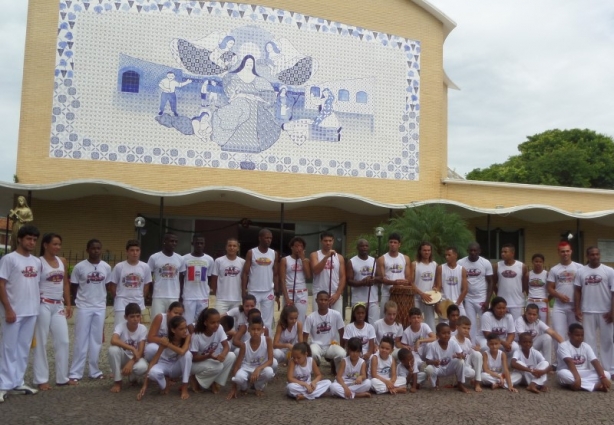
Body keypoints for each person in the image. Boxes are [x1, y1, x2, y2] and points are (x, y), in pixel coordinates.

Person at [0, 225, 41, 402]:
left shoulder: (36, 262)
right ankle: (3, 385)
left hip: (31, 311)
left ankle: (17, 382)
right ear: (20, 239)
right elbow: (1, 284)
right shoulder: (9, 259)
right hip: (13, 311)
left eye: (34, 239)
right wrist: (8, 308)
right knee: (8, 348)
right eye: (28, 239)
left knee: (23, 349)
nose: (31, 242)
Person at [211, 56, 281, 152]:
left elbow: (269, 94)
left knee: (261, 122)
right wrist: (241, 95)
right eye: (247, 63)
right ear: (243, 63)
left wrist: (256, 97)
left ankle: (252, 145)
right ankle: (231, 143)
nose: (249, 65)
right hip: (239, 102)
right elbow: (231, 94)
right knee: (234, 115)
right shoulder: (235, 77)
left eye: (251, 64)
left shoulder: (258, 79)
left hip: (254, 106)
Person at [68, 239, 112, 383]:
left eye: (98, 248)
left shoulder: (106, 267)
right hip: (83, 307)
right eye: (93, 248)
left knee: (96, 340)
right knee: (81, 339)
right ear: (87, 250)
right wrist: (80, 301)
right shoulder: (79, 267)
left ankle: (95, 371)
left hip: (100, 307)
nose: (96, 251)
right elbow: (74, 287)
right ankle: (75, 373)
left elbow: (107, 286)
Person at [33, 233, 72, 390]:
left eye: (59, 244)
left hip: (58, 305)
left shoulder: (62, 261)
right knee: (41, 342)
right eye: (54, 244)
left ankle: (62, 377)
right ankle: (41, 379)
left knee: (63, 341)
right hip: (43, 304)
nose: (57, 247)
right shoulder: (39, 262)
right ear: (45, 245)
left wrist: (68, 304)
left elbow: (66, 285)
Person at [573, 246, 614, 373]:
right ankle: (592, 368)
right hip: (587, 310)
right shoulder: (581, 271)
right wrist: (577, 308)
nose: (595, 257)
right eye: (592, 254)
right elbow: (577, 291)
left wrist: (612, 311)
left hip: (605, 311)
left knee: (607, 340)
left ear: (599, 255)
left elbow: (613, 292)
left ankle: (610, 369)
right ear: (587, 256)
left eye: (597, 254)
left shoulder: (609, 271)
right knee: (589, 341)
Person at [138, 315, 192, 400]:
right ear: (173, 330)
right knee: (152, 373)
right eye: (181, 329)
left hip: (176, 368)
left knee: (187, 355)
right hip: (164, 365)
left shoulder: (187, 337)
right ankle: (165, 383)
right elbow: (153, 361)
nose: (185, 331)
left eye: (185, 328)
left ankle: (184, 387)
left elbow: (182, 351)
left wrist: (168, 345)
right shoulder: (165, 340)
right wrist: (144, 386)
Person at [547, 241, 582, 365]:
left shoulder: (579, 267)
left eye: (567, 251)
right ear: (558, 253)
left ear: (571, 251)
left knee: (575, 333)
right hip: (559, 306)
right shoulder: (554, 269)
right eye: (562, 251)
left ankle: (576, 359)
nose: (565, 253)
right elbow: (550, 288)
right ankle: (559, 361)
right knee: (558, 334)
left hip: (574, 306)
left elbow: (582, 287)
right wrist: (559, 295)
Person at [189, 308, 236, 393]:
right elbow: (193, 358)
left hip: (211, 358)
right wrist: (208, 356)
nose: (216, 325)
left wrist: (223, 355)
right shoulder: (196, 335)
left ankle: (215, 382)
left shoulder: (219, 328)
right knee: (218, 366)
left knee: (231, 356)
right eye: (212, 322)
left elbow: (226, 347)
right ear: (205, 322)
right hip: (196, 364)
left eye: (218, 322)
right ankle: (195, 378)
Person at [227, 316, 275, 399]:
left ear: (262, 330)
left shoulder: (267, 341)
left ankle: (258, 386)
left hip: (259, 369)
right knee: (238, 378)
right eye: (253, 329)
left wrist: (258, 369)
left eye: (258, 329)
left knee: (269, 372)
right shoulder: (244, 345)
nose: (255, 332)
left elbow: (270, 360)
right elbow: (237, 366)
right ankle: (244, 388)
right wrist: (234, 387)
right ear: (248, 330)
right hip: (247, 368)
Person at [242, 228, 279, 330]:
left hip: (268, 291)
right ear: (260, 238)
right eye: (266, 237)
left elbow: (276, 274)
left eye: (270, 238)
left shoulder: (274, 253)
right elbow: (245, 273)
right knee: (253, 318)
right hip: (254, 291)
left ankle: (267, 343)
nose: (268, 240)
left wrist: (277, 291)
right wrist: (243, 291)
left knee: (267, 321)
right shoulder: (251, 252)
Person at [557, 323, 611, 392]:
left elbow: (595, 361)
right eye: (577, 335)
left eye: (582, 335)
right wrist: (577, 378)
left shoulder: (586, 346)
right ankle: (594, 386)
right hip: (569, 372)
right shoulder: (563, 346)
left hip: (584, 372)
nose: (580, 338)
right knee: (562, 374)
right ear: (569, 335)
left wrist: (602, 377)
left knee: (607, 374)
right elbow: (569, 362)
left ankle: (577, 385)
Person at [109, 240, 152, 328]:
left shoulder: (145, 267)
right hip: (122, 302)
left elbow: (147, 284)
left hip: (138, 302)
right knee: (119, 328)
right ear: (127, 252)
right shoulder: (119, 266)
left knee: (136, 329)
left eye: (137, 250)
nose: (135, 253)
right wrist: (118, 297)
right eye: (132, 250)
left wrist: (141, 296)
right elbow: (113, 285)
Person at [108, 303, 148, 393]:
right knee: (112, 350)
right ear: (125, 317)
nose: (135, 319)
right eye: (132, 316)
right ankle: (117, 381)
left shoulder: (142, 328)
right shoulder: (121, 326)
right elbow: (113, 340)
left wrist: (131, 362)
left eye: (138, 316)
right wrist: (132, 348)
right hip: (123, 356)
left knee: (143, 367)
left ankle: (132, 376)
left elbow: (140, 351)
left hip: (135, 358)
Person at [458, 242, 494, 342]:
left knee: (485, 322)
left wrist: (487, 301)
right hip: (468, 298)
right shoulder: (461, 263)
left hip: (482, 297)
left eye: (475, 250)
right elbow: (459, 281)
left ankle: (486, 344)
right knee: (471, 323)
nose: (473, 252)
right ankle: (472, 345)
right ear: (467, 251)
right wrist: (462, 298)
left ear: (479, 251)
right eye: (471, 250)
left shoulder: (486, 263)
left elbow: (491, 282)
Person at [303, 291, 345, 371]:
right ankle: (316, 366)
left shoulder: (336, 314)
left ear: (329, 301)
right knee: (313, 353)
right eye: (321, 300)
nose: (323, 302)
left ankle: (337, 369)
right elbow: (305, 336)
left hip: (331, 345)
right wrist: (305, 352)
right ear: (316, 300)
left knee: (342, 354)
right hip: (316, 345)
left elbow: (341, 332)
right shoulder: (310, 317)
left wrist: (342, 347)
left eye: (325, 300)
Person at [148, 233, 186, 319]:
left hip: (174, 295)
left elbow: (181, 279)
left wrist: (180, 296)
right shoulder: (154, 257)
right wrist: (150, 294)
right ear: (165, 241)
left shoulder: (180, 259)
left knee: (173, 321)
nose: (174, 243)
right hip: (158, 296)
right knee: (157, 320)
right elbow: (148, 277)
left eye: (176, 242)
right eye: (171, 241)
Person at [424, 323, 468, 392]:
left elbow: (461, 354)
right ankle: (435, 385)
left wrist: (460, 356)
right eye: (443, 333)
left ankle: (460, 384)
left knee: (461, 361)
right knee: (429, 368)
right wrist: (434, 362)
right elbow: (427, 361)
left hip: (449, 367)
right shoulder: (432, 345)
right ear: (438, 335)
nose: (446, 335)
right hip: (438, 368)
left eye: (448, 333)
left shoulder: (453, 343)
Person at [180, 234, 213, 324]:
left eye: (201, 243)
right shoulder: (184, 259)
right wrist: (180, 296)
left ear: (204, 244)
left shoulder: (209, 260)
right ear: (192, 243)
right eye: (197, 243)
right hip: (188, 296)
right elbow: (181, 278)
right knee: (187, 322)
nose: (199, 245)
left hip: (203, 296)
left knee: (201, 323)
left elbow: (209, 278)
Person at [377, 233, 411, 319]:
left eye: (395, 242)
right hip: (387, 293)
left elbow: (408, 277)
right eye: (391, 242)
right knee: (384, 316)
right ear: (388, 243)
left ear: (399, 244)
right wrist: (394, 282)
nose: (392, 244)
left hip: (401, 292)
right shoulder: (382, 259)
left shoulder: (405, 258)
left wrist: (402, 283)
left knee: (401, 316)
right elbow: (382, 278)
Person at [310, 231, 346, 315]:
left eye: (330, 241)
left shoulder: (339, 257)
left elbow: (343, 277)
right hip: (319, 291)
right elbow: (316, 270)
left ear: (333, 241)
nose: (328, 243)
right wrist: (326, 257)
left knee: (336, 317)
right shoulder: (315, 255)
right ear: (321, 241)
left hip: (334, 292)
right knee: (318, 317)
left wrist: (337, 294)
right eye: (325, 241)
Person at [347, 239, 380, 323]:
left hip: (372, 299)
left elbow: (380, 278)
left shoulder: (374, 261)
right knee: (358, 323)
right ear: (357, 248)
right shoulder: (352, 261)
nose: (364, 248)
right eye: (362, 246)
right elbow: (349, 281)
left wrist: (373, 279)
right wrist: (363, 282)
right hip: (358, 299)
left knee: (373, 324)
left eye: (366, 246)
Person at [493, 244, 528, 321]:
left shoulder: (522, 266)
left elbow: (525, 284)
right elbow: (493, 283)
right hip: (502, 302)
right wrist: (498, 293)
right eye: (502, 252)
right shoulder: (497, 266)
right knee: (503, 324)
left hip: (516, 302)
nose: (503, 254)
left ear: (512, 253)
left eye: (505, 252)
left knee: (515, 325)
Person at [280, 237, 311, 323]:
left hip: (302, 292)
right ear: (292, 247)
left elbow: (308, 276)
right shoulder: (285, 260)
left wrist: (303, 258)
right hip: (289, 291)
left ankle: (299, 335)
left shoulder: (305, 260)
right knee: (287, 317)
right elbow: (282, 280)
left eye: (301, 246)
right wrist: (286, 297)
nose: (299, 248)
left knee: (300, 317)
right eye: (296, 246)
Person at [211, 238, 245, 314]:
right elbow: (214, 278)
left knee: (234, 323)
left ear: (238, 248)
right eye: (229, 245)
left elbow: (244, 279)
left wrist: (243, 295)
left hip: (237, 299)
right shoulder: (219, 261)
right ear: (226, 247)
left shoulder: (242, 262)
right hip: (221, 299)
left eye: (234, 246)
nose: (232, 248)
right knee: (221, 320)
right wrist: (214, 294)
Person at [434, 246, 468, 319]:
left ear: (455, 255)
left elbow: (465, 289)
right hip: (444, 302)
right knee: (445, 327)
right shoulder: (441, 268)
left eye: (449, 255)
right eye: (446, 255)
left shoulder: (462, 270)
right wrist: (437, 304)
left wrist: (457, 304)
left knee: (463, 323)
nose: (446, 257)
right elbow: (438, 287)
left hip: (457, 302)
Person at [453, 316, 483, 392]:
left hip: (466, 363)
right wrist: (458, 356)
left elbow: (471, 354)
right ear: (457, 327)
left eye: (468, 328)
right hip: (457, 364)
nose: (466, 330)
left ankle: (477, 382)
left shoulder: (467, 341)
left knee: (478, 354)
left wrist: (476, 349)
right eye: (464, 328)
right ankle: (460, 383)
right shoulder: (452, 340)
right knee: (471, 373)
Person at [412, 242, 437, 330]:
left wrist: (435, 288)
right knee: (416, 322)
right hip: (417, 298)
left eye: (428, 250)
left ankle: (431, 341)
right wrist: (422, 294)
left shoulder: (434, 264)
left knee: (431, 323)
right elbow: (410, 283)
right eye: (424, 250)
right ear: (420, 251)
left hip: (430, 299)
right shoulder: (415, 264)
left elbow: (436, 282)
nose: (426, 252)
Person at [526, 253, 549, 323]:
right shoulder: (528, 274)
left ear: (543, 263)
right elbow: (525, 287)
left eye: (540, 262)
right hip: (531, 300)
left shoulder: (547, 274)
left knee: (542, 322)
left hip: (542, 302)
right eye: (536, 261)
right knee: (530, 321)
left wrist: (548, 299)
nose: (538, 263)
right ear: (532, 262)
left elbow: (551, 288)